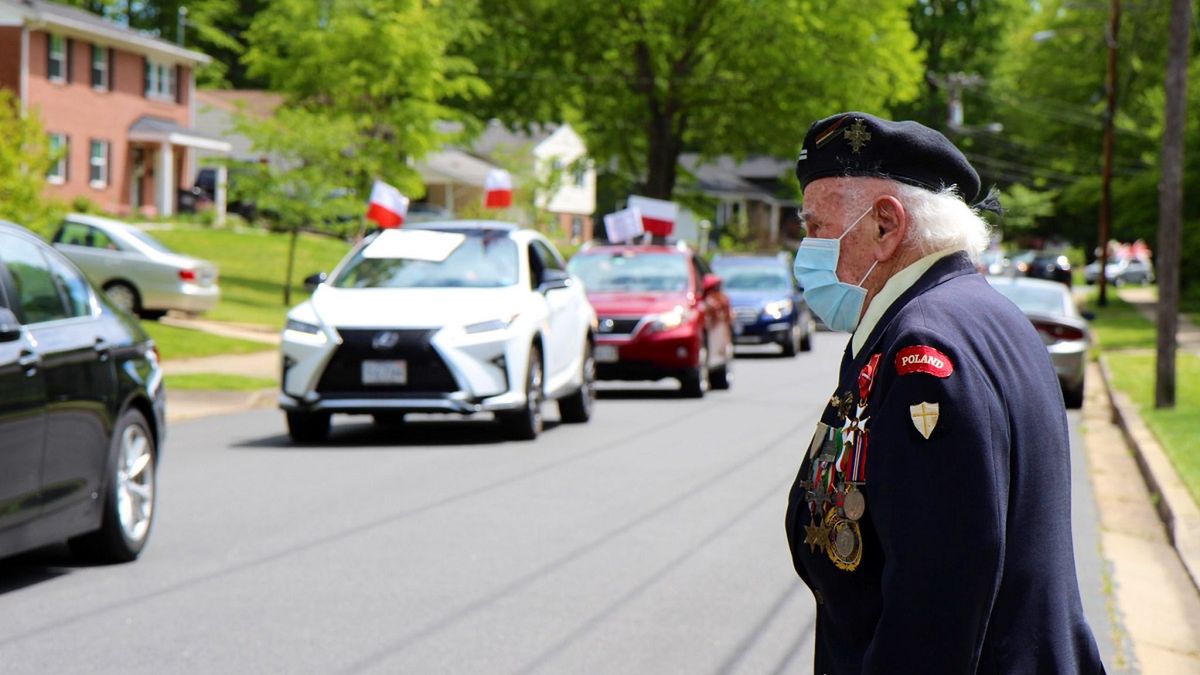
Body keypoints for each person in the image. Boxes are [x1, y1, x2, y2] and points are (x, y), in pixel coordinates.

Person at [784, 112, 1105, 674]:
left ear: (886, 226)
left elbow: (933, 603)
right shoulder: (984, 313)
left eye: (817, 227)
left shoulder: (923, 350)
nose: (806, 250)